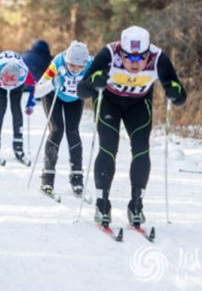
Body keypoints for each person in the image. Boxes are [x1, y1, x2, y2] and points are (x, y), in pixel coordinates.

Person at [77, 26, 187, 227]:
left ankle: (136, 204)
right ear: (121, 53)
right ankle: (102, 203)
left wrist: (175, 92)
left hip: (138, 105)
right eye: (128, 58)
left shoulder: (158, 58)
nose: (134, 63)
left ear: (148, 54)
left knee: (141, 149)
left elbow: (179, 95)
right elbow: (81, 91)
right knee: (108, 147)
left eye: (140, 58)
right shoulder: (108, 54)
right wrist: (94, 82)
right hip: (109, 102)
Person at [35, 41, 92, 198]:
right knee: (57, 129)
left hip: (74, 99)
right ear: (67, 61)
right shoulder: (58, 62)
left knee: (73, 131)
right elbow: (37, 92)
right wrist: (52, 83)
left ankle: (77, 178)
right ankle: (47, 177)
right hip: (54, 96)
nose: (75, 70)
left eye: (80, 67)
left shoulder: (92, 64)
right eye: (72, 66)